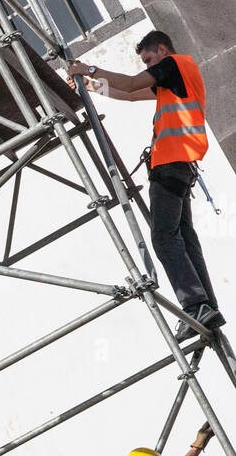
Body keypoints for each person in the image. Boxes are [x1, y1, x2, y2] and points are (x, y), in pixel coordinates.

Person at [68, 32, 223, 341]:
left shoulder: (174, 65)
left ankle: (194, 305)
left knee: (164, 238)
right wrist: (88, 85)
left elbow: (129, 83)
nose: (149, 66)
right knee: (185, 240)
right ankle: (207, 306)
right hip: (182, 168)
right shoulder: (177, 79)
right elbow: (128, 95)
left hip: (169, 165)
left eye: (149, 60)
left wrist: (89, 70)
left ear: (162, 50)